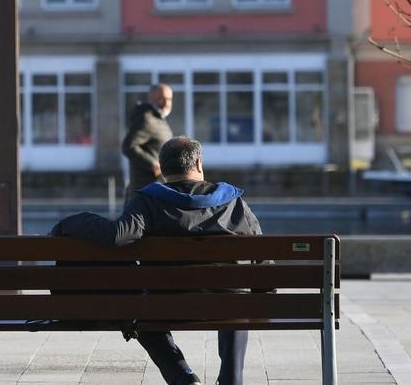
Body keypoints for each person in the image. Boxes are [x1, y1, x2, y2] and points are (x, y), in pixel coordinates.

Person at [52, 137, 262, 385]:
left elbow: (118, 234)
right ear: (198, 163)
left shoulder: (148, 201)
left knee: (136, 306)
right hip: (227, 304)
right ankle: (231, 378)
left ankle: (181, 375)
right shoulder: (233, 200)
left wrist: (72, 222)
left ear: (162, 168)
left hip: (165, 305)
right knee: (236, 298)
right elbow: (261, 255)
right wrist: (263, 293)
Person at [121, 84, 173, 201]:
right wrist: (153, 164)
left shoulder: (159, 118)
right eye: (162, 98)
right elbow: (128, 146)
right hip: (144, 191)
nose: (166, 103)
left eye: (169, 99)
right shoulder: (146, 118)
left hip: (157, 189)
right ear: (151, 98)